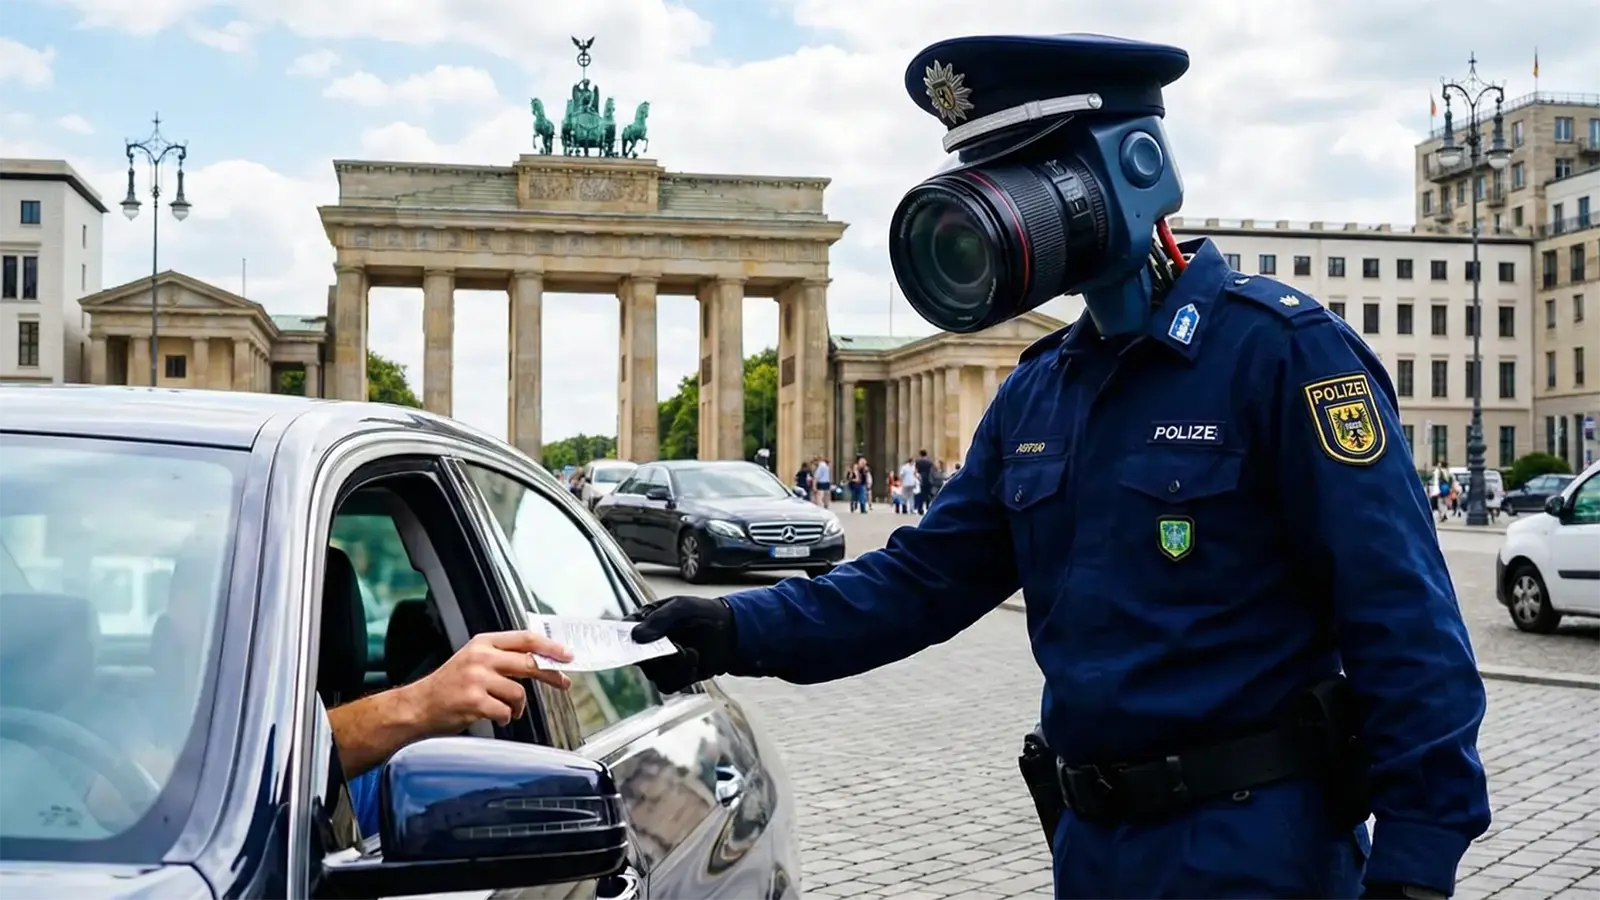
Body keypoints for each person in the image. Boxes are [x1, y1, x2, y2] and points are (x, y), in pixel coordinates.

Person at [628, 33, 1487, 900]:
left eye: (1027, 174)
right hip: (1093, 847)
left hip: (1255, 848)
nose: (1001, 209)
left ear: (1135, 162)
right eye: (985, 176)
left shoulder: (1282, 356)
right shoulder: (1041, 390)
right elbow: (924, 579)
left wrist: (1416, 863)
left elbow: (1404, 617)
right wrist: (738, 629)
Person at [912, 449, 933, 514]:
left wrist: (917, 477)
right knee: (928, 494)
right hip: (928, 478)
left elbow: (915, 471)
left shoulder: (918, 461)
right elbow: (932, 470)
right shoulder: (929, 462)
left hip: (921, 478)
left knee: (921, 495)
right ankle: (928, 507)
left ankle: (920, 509)